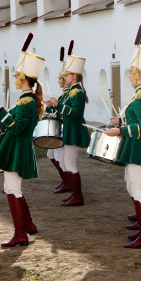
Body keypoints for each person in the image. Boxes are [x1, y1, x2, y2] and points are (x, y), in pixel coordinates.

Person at [105, 26, 141, 248]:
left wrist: (120, 130)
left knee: (137, 188)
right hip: (138, 146)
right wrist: (121, 122)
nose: (129, 76)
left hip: (140, 147)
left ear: (139, 74)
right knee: (133, 185)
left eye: (131, 72)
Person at [0, 33, 44, 247]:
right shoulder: (26, 100)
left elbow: (18, 127)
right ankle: (27, 225)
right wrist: (1, 112)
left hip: (17, 147)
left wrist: (2, 111)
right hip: (16, 146)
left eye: (18, 75)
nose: (15, 78)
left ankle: (20, 234)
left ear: (24, 79)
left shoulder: (27, 101)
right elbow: (10, 123)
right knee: (13, 188)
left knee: (12, 189)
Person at [48, 48, 90, 207]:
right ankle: (73, 192)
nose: (64, 77)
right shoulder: (73, 91)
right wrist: (54, 106)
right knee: (65, 163)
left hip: (74, 130)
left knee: (70, 164)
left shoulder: (77, 91)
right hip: (69, 129)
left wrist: (58, 105)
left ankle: (78, 196)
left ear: (74, 76)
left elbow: (76, 113)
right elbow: (64, 110)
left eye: (67, 75)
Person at [46, 47, 70, 194]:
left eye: (61, 78)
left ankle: (68, 182)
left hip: (63, 128)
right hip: (57, 127)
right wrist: (49, 107)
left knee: (60, 158)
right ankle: (65, 180)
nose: (59, 80)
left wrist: (56, 105)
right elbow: (58, 110)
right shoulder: (64, 94)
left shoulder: (70, 94)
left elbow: (66, 111)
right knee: (51, 155)